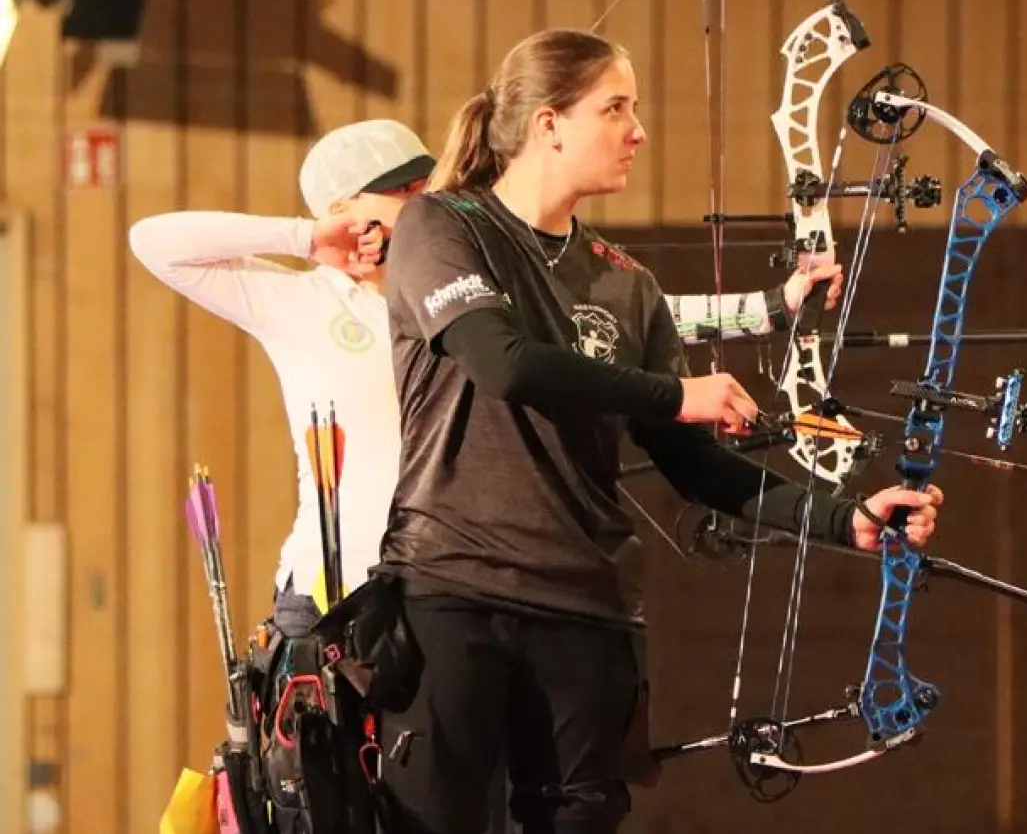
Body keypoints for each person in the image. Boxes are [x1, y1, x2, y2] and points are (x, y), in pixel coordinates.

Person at [372, 27, 945, 834]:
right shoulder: (441, 225)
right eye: (615, 108)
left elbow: (694, 464)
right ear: (548, 124)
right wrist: (677, 393)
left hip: (587, 608)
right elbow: (503, 363)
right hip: (454, 592)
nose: (637, 130)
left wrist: (843, 516)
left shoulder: (626, 283)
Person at [127, 118, 845, 641]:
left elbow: (618, 317)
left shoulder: (467, 291)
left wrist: (769, 308)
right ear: (344, 209)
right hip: (332, 593)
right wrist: (307, 239)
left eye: (426, 187)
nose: (424, 204)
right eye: (401, 191)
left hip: (445, 588)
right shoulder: (301, 301)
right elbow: (154, 243)